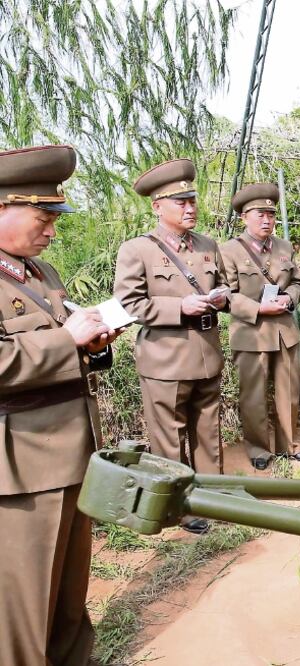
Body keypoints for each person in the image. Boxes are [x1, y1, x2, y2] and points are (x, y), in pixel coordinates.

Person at [0, 144, 122, 665]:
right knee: (23, 600)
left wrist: (90, 345)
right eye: (42, 216)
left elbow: (61, 347)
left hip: (73, 451)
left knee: (70, 588)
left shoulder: (40, 273)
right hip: (23, 463)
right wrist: (63, 341)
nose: (52, 228)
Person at [114, 158, 228, 534]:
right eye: (180, 202)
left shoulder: (208, 245)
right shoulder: (137, 250)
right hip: (166, 359)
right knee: (168, 440)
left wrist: (221, 297)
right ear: (157, 206)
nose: (190, 207)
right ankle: (175, 508)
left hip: (207, 354)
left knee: (208, 433)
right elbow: (129, 303)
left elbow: (226, 285)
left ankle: (213, 499)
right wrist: (180, 306)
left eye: (192, 200)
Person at [220, 183, 300, 471]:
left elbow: (297, 282)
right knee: (254, 395)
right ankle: (259, 449)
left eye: (271, 214)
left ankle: (288, 447)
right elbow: (224, 295)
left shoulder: (284, 247)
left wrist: (289, 298)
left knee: (289, 391)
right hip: (251, 333)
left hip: (285, 332)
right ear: (245, 217)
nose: (266, 220)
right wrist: (258, 308)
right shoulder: (230, 251)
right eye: (259, 214)